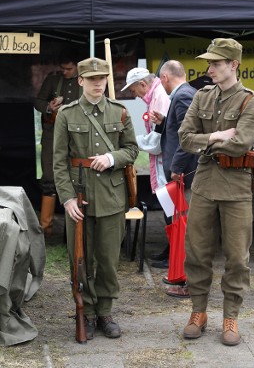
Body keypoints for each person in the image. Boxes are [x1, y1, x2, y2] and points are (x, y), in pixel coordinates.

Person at [177, 38, 254, 346]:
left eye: (215, 63)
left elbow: (241, 143)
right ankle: (198, 312)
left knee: (237, 257)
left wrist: (206, 140)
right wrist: (216, 134)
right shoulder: (202, 96)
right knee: (197, 252)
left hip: (236, 186)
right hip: (204, 183)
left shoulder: (250, 100)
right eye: (209, 63)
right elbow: (184, 138)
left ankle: (231, 316)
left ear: (233, 65)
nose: (209, 68)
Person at [53, 57, 138, 340]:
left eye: (102, 78)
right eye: (91, 79)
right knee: (81, 260)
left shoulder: (121, 112)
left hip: (112, 197)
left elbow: (132, 150)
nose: (98, 83)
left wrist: (112, 157)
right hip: (80, 196)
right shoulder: (66, 114)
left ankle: (105, 312)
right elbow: (59, 162)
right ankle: (86, 313)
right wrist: (67, 199)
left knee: (108, 260)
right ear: (80, 81)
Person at [147, 61, 199, 288]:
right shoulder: (186, 94)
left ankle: (187, 277)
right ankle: (182, 273)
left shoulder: (183, 95)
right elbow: (180, 128)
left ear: (165, 77)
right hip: (183, 172)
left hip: (184, 174)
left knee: (186, 226)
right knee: (182, 224)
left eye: (161, 81)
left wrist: (176, 168)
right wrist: (163, 123)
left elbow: (189, 135)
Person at [34, 53, 82, 236]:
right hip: (52, 135)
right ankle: (45, 229)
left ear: (77, 66)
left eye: (69, 69)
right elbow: (38, 101)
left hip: (77, 137)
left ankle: (75, 228)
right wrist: (49, 107)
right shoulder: (53, 80)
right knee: (48, 177)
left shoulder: (85, 82)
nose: (65, 72)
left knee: (77, 178)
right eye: (62, 68)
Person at [121, 67, 170, 193]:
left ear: (142, 84)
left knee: (171, 210)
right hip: (162, 164)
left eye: (133, 91)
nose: (135, 95)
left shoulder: (160, 97)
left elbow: (158, 141)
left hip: (166, 165)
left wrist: (129, 141)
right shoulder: (155, 96)